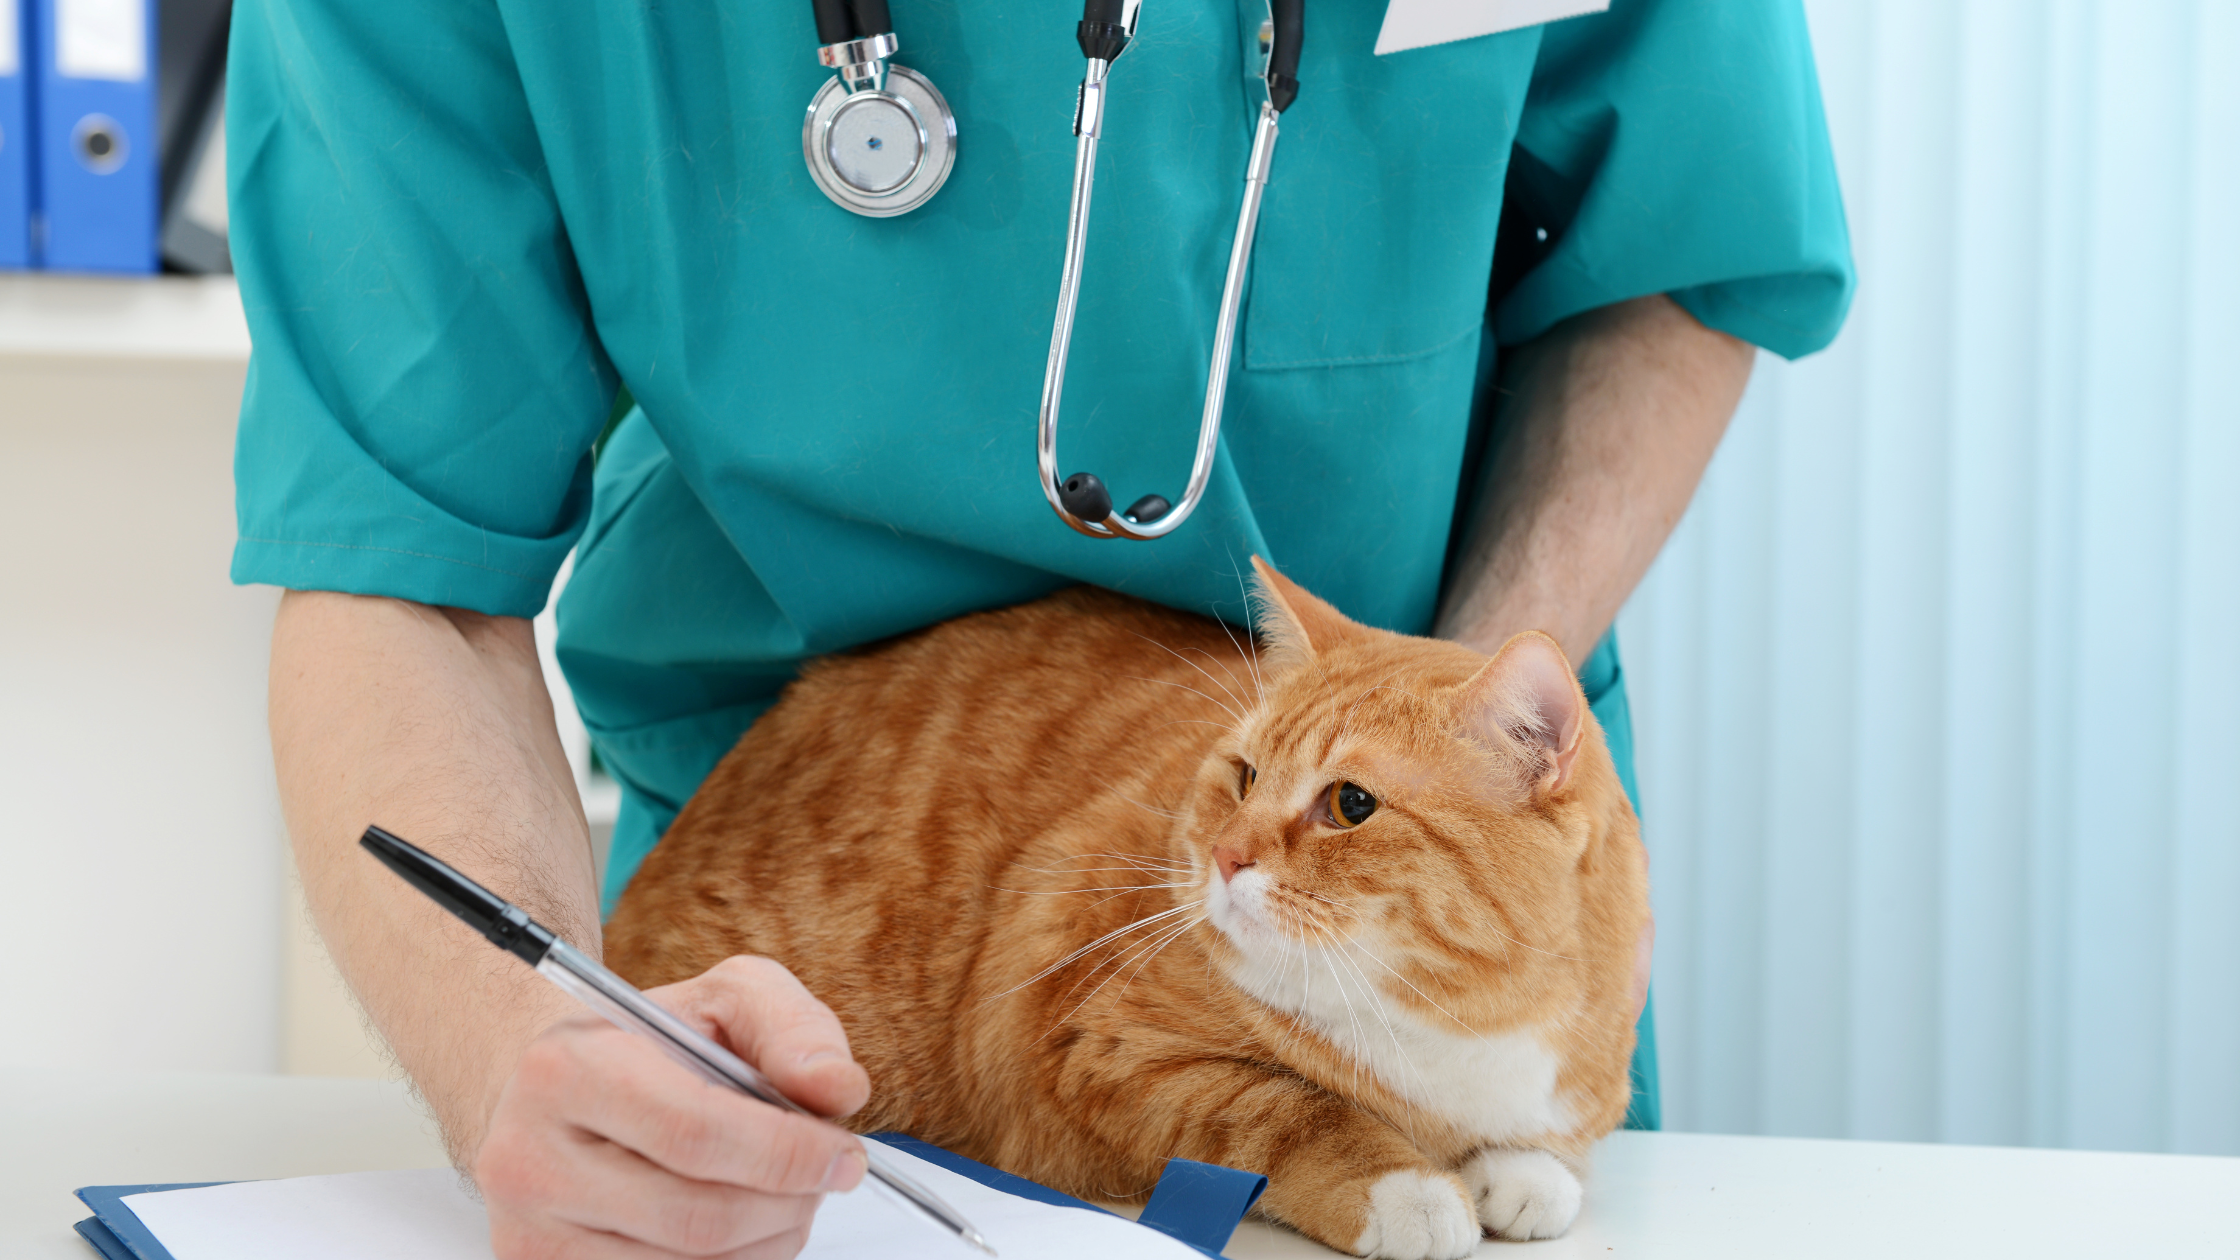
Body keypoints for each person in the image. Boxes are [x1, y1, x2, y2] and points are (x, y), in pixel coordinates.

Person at [231, 0, 1852, 1253]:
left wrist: (1462, 764)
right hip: (817, 938)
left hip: (1411, 876)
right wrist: (522, 1040)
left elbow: (1681, 241)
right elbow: (399, 549)